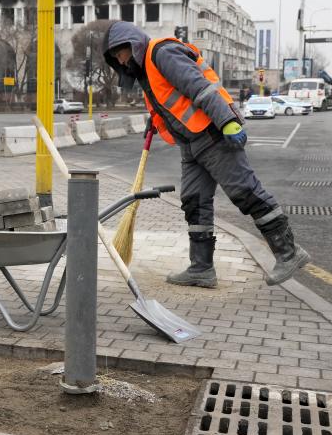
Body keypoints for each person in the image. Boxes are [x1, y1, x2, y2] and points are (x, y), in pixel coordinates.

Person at [100, 20, 310, 288]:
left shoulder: (161, 53)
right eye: (115, 56)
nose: (119, 59)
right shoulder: (145, 71)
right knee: (194, 203)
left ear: (132, 44)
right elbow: (172, 100)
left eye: (120, 52)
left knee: (245, 193)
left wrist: (227, 121)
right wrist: (158, 118)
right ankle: (201, 268)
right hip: (190, 144)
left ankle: (288, 253)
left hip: (213, 134)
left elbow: (199, 87)